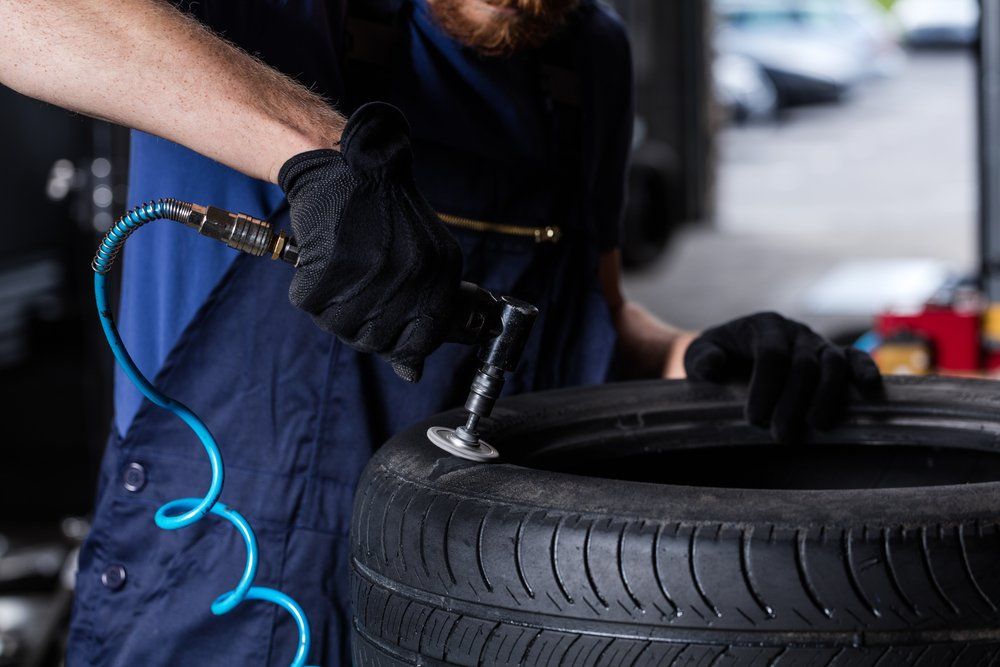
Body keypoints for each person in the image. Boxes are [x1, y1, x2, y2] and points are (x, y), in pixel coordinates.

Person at [0, 0, 882, 664]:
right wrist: (320, 154)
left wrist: (700, 362)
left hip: (483, 605)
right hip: (211, 602)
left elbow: (590, 321)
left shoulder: (587, 61)